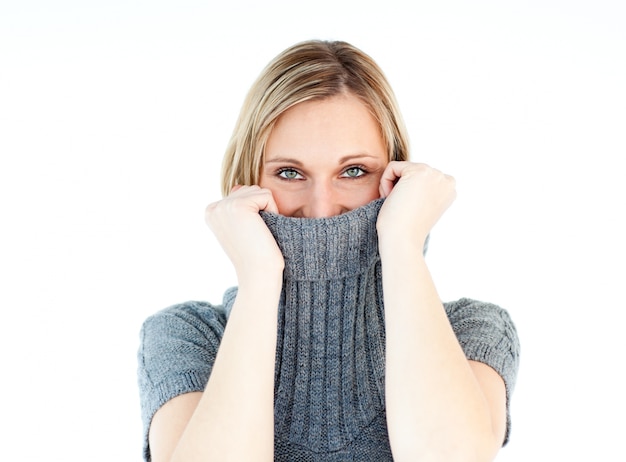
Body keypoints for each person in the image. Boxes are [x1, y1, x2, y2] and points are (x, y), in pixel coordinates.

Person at [137, 40, 520, 462]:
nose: (322, 210)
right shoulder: (187, 337)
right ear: (246, 182)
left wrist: (403, 243)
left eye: (354, 171)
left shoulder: (470, 331)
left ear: (396, 178)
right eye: (290, 172)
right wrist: (260, 277)